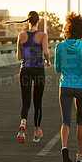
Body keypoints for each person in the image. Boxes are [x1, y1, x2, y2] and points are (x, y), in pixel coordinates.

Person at [54, 12, 82, 162]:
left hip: (65, 85)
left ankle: (64, 147)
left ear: (68, 29)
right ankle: (80, 153)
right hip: (81, 87)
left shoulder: (59, 47)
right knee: (80, 119)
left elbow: (57, 68)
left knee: (65, 121)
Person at [16, 11, 51, 144]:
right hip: (38, 70)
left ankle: (23, 123)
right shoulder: (42, 35)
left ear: (28, 21)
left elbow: (19, 57)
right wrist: (48, 61)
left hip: (24, 69)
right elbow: (46, 52)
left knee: (25, 102)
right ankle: (36, 133)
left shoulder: (21, 35)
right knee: (38, 102)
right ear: (38, 22)